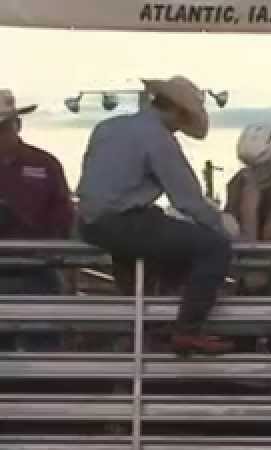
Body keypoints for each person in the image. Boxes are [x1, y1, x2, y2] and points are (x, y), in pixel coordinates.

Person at [76, 76, 234, 355]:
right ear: (177, 111)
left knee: (155, 247)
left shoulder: (108, 127)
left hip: (90, 222)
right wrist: (221, 229)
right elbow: (187, 198)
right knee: (214, 248)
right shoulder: (159, 139)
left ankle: (153, 328)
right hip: (124, 221)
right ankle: (187, 329)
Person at [0, 89, 73, 351]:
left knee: (44, 338)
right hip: (27, 265)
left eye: (2, 127)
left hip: (38, 267)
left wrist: (55, 246)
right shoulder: (44, 163)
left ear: (16, 125)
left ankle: (43, 386)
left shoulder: (45, 163)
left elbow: (63, 212)